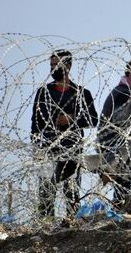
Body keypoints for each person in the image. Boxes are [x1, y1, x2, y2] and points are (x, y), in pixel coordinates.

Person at [31, 50, 98, 217]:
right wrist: (36, 147)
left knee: (72, 191)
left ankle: (72, 225)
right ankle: (46, 225)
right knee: (47, 191)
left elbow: (93, 119)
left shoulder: (82, 93)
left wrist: (71, 118)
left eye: (57, 65)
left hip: (72, 149)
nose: (53, 68)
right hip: (48, 147)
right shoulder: (44, 92)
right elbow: (35, 123)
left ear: (68, 66)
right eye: (51, 65)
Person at [98, 59, 131, 205]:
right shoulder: (124, 92)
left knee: (122, 181)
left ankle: (120, 207)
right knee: (122, 180)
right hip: (117, 143)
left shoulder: (122, 90)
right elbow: (120, 118)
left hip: (115, 142)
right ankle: (119, 208)